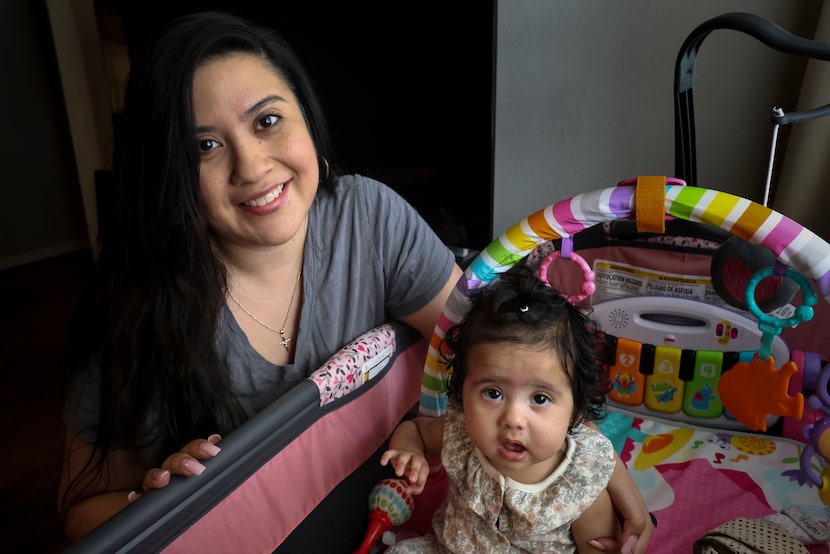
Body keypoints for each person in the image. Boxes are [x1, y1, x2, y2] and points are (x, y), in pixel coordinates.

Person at [57, 10, 651, 552]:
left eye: (267, 121)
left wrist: (597, 462)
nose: (251, 165)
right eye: (205, 146)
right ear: (167, 174)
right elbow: (83, 514)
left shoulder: (368, 218)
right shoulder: (138, 310)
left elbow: (510, 355)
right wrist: (159, 500)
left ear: (306, 119)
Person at [381, 268, 623, 553]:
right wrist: (410, 451)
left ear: (574, 409)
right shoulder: (461, 434)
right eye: (493, 393)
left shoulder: (580, 484)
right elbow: (416, 430)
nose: (513, 419)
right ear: (462, 393)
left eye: (540, 398)